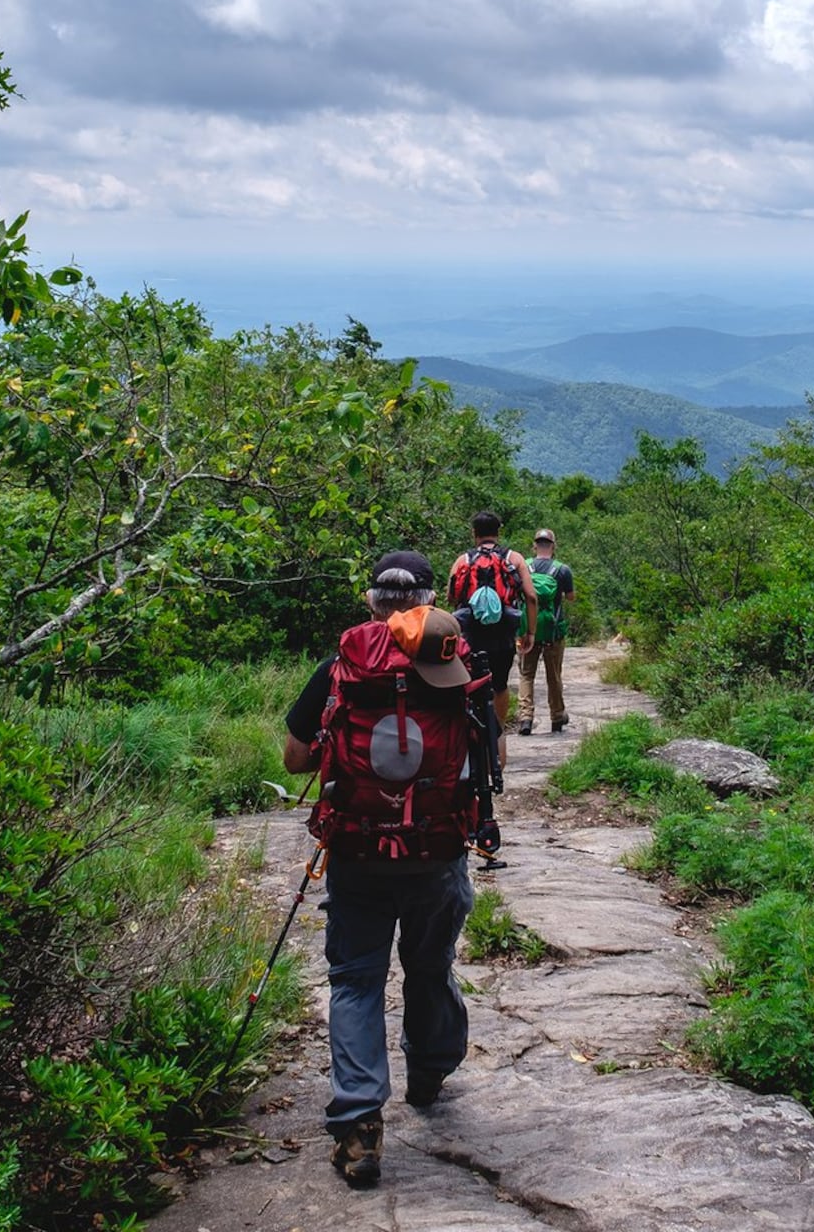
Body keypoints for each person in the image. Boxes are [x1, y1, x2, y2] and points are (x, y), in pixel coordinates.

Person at [283, 551, 498, 1190]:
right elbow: (491, 755)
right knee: (430, 966)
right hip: (438, 851)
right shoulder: (455, 668)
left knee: (354, 980)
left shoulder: (340, 669)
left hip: (357, 852)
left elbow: (297, 760)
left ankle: (358, 1126)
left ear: (370, 603)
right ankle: (429, 1071)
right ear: (431, 603)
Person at [448, 510, 535, 729]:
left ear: (474, 533)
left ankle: (473, 730)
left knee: (471, 681)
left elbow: (451, 597)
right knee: (500, 684)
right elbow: (531, 596)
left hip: (472, 634)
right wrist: (529, 632)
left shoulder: (463, 560)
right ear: (498, 532)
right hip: (503, 633)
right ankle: (498, 733)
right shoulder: (514, 558)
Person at [516, 528, 576, 735]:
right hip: (553, 631)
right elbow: (570, 597)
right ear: (553, 546)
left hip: (527, 630)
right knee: (554, 675)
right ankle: (557, 717)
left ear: (534, 546)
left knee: (526, 675)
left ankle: (525, 718)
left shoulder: (523, 566)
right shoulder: (562, 570)